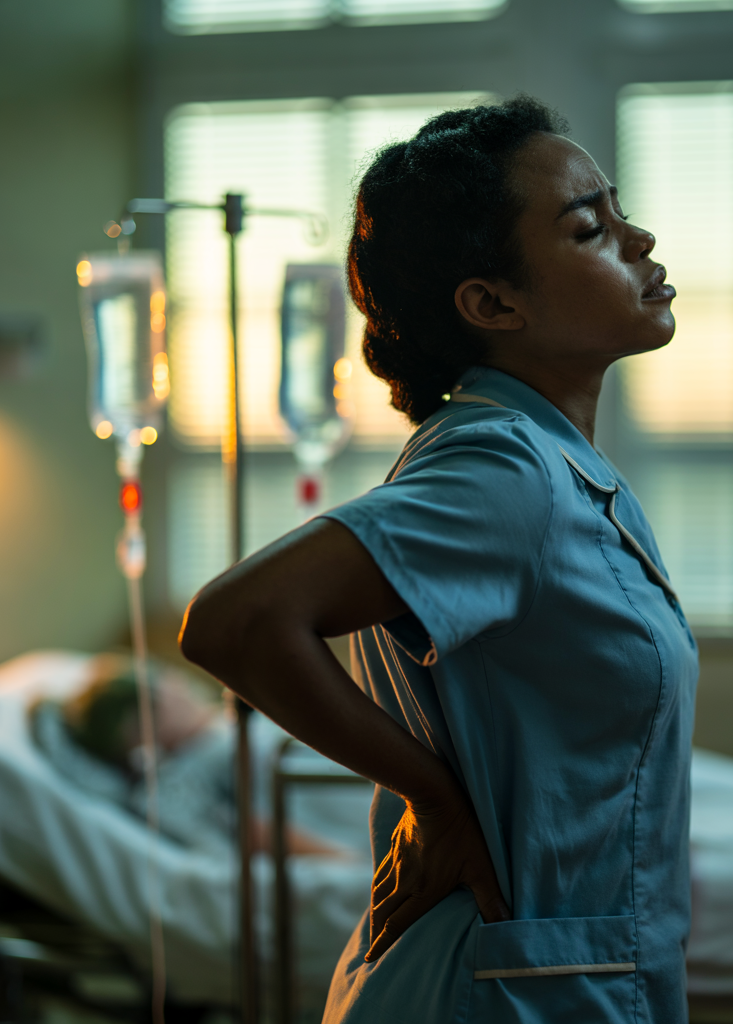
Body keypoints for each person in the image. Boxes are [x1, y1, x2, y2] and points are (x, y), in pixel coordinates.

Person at [180, 96, 698, 1023]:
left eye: (618, 211)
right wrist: (435, 800)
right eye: (590, 228)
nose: (640, 238)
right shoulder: (505, 469)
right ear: (493, 303)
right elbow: (237, 622)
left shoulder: (552, 464)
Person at [33, 654, 344, 857]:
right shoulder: (195, 768)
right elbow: (257, 831)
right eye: (162, 687)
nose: (177, 682)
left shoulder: (223, 725)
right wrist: (348, 861)